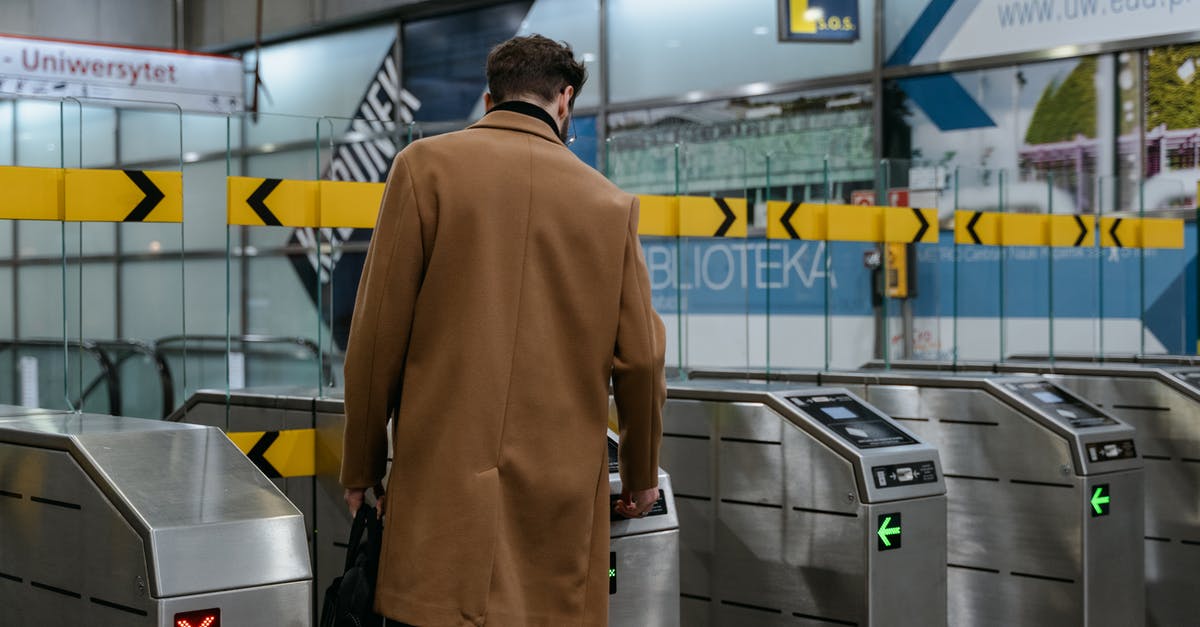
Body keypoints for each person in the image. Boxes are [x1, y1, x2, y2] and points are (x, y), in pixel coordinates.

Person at [340, 34, 666, 627]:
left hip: (442, 495)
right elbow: (641, 361)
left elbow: (375, 338)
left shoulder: (423, 168)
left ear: (489, 101)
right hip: (558, 508)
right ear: (564, 101)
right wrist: (641, 477)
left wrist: (362, 465)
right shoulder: (609, 205)